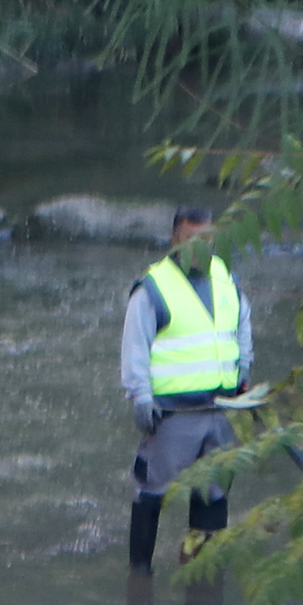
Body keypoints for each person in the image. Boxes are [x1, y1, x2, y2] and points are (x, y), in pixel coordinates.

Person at [120, 207, 250, 575]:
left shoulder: (226, 278)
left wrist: (244, 372)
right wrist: (140, 397)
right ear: (175, 239)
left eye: (208, 240)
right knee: (152, 492)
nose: (201, 248)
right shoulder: (153, 287)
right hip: (172, 414)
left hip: (221, 409)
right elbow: (135, 346)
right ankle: (139, 577)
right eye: (192, 240)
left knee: (214, 492)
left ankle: (202, 571)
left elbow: (242, 323)